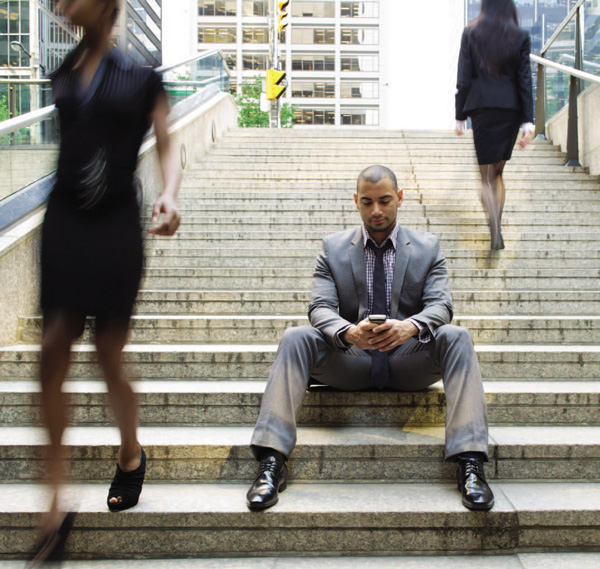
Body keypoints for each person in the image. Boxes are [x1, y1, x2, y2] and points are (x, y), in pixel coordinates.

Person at [246, 165, 493, 513]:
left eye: (384, 201)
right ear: (356, 201)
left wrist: (410, 327)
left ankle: (470, 465)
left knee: (458, 337)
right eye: (367, 202)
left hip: (409, 360)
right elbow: (319, 307)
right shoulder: (333, 249)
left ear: (400, 198)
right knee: (295, 337)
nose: (376, 210)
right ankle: (271, 463)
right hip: (352, 360)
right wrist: (349, 333)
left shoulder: (427, 247)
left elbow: (441, 305)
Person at [30, 0, 181, 564]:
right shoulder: (63, 71)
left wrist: (169, 193)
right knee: (51, 349)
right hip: (66, 219)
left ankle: (130, 454)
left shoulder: (143, 78)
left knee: (108, 352)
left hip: (117, 221)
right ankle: (52, 506)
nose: (64, 4)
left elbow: (167, 142)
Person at [455, 0, 533, 250]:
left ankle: (494, 226)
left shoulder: (471, 31)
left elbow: (464, 78)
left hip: (482, 108)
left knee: (486, 176)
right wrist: (528, 122)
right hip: (510, 109)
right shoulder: (520, 35)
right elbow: (524, 79)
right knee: (498, 173)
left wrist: (459, 116)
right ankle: (497, 224)